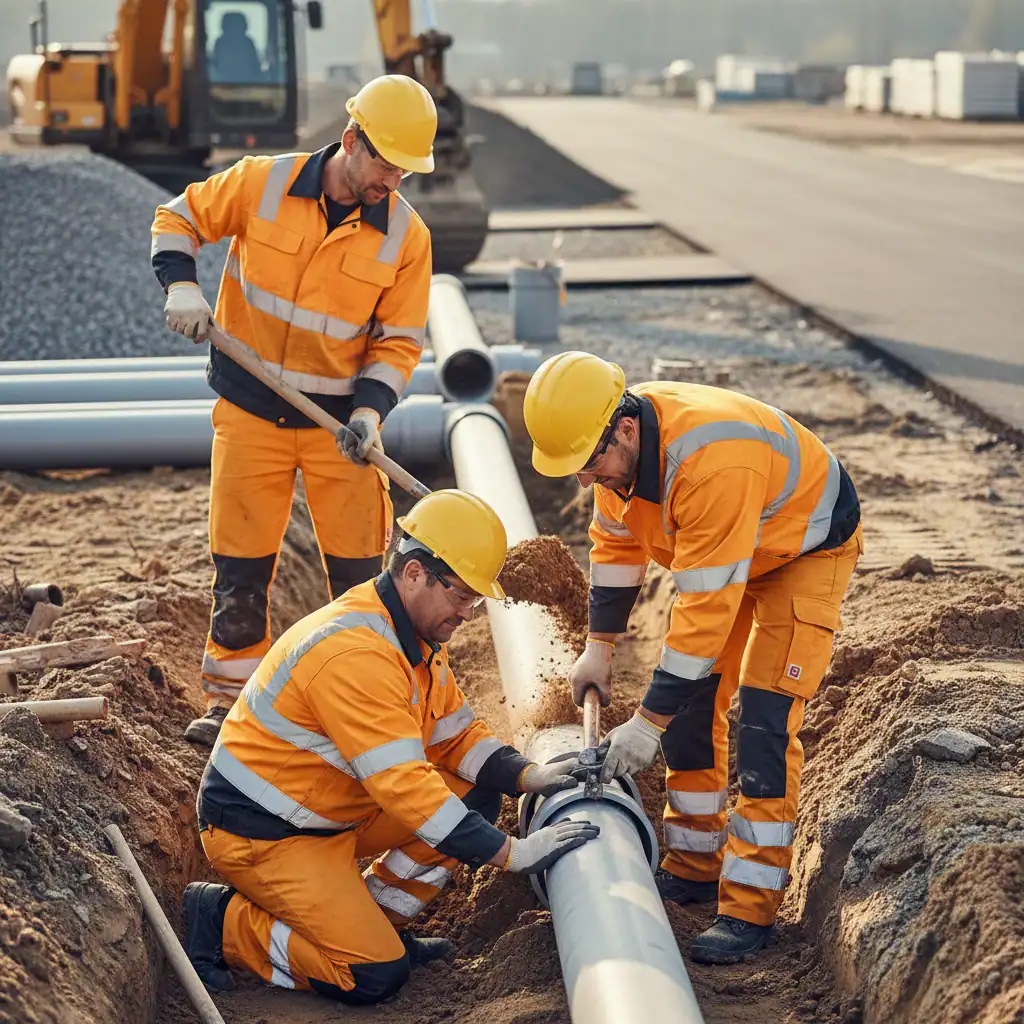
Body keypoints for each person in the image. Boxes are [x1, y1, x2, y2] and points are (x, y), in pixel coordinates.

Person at [181, 489, 599, 1003]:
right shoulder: (355, 653)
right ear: (416, 572)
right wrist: (513, 853)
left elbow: (454, 736)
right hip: (266, 835)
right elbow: (405, 786)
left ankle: (372, 923)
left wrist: (527, 776)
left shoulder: (414, 637)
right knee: (372, 976)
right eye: (462, 595)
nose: (468, 613)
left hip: (328, 814)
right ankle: (224, 921)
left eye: (475, 599)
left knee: (473, 793)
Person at [522, 351, 863, 964]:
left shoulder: (707, 464)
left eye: (589, 464)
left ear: (624, 430)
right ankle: (694, 863)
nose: (582, 479)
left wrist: (646, 724)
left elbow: (706, 613)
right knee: (693, 704)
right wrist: (598, 649)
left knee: (763, 719)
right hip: (733, 548)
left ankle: (750, 909)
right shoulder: (614, 456)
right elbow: (616, 543)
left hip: (804, 550)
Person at [150, 75, 437, 746]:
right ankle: (231, 711)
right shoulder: (263, 183)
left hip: (340, 429)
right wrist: (183, 284)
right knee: (241, 577)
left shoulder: (406, 237)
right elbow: (178, 217)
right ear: (349, 141)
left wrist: (369, 414)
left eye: (404, 171)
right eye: (385, 164)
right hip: (251, 413)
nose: (392, 182)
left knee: (363, 583)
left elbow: (399, 339)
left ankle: (363, 717)